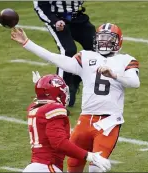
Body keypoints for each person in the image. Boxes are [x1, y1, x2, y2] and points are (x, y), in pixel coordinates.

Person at [11, 22, 140, 172]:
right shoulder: (86, 57)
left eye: (109, 39)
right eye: (101, 38)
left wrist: (115, 75)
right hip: (85, 119)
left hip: (109, 121)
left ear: (118, 41)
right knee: (73, 164)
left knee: (97, 168)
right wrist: (27, 43)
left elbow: (135, 83)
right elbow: (54, 58)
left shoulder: (126, 60)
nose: (104, 42)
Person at [22, 74, 111, 172]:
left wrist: (41, 85)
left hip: (35, 166)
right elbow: (59, 143)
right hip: (47, 167)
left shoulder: (34, 107)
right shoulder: (53, 108)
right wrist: (89, 156)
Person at [33, 1, 96, 107]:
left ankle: (74, 81)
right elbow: (39, 5)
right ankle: (57, 95)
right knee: (68, 51)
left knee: (96, 48)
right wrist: (54, 21)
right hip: (57, 18)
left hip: (77, 17)